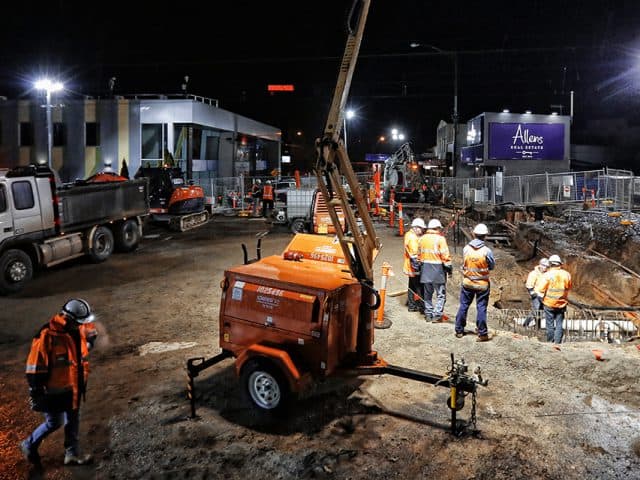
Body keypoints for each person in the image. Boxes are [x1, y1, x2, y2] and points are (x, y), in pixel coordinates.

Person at [20, 299, 98, 466]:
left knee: (73, 419)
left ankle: (72, 454)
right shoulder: (46, 336)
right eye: (78, 322)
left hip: (74, 386)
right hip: (53, 391)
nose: (80, 326)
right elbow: (34, 366)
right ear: (68, 318)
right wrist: (36, 391)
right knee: (55, 422)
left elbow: (84, 346)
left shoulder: (77, 328)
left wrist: (91, 340)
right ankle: (28, 444)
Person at [454, 223, 496, 342]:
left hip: (467, 282)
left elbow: (465, 263)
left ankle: (459, 330)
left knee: (464, 306)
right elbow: (491, 266)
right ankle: (482, 333)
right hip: (482, 284)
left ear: (474, 234)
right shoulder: (486, 251)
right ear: (485, 236)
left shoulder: (466, 249)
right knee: (481, 308)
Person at [418, 219, 452, 322]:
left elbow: (418, 255)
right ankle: (437, 315)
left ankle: (428, 314)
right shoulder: (440, 239)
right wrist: (449, 267)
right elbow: (445, 256)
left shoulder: (422, 239)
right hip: (438, 270)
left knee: (427, 294)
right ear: (437, 228)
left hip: (425, 269)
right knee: (440, 295)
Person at [535, 254, 572, 344]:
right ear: (560, 264)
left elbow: (540, 289)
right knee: (559, 324)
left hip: (549, 303)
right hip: (562, 303)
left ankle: (550, 342)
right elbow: (569, 286)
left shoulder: (547, 275)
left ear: (550, 264)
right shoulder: (566, 274)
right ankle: (557, 343)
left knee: (549, 324)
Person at [404, 217, 426, 312]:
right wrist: (418, 269)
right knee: (419, 287)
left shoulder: (409, 234)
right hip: (414, 267)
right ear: (416, 228)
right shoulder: (412, 238)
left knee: (412, 286)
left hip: (410, 266)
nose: (422, 231)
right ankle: (422, 307)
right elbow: (414, 255)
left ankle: (411, 305)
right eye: (421, 229)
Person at [523, 258, 549, 327]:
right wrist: (532, 292)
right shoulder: (534, 273)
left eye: (546, 266)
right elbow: (529, 284)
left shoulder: (547, 274)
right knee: (535, 311)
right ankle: (526, 324)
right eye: (544, 266)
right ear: (540, 265)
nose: (545, 268)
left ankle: (537, 326)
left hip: (544, 296)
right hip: (536, 295)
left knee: (541, 312)